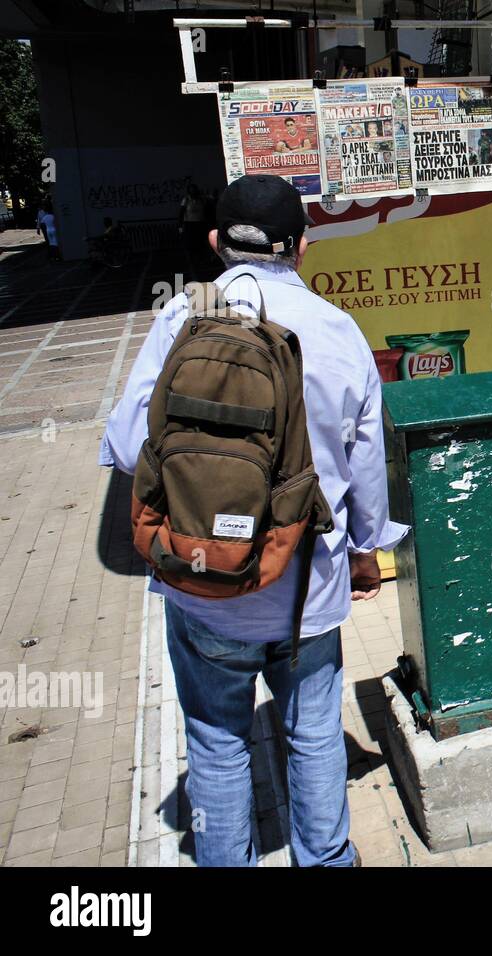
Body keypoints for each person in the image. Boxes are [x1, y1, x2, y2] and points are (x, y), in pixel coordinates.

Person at [101, 174, 408, 866]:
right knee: (314, 734)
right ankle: (325, 858)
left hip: (199, 583)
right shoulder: (339, 329)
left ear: (215, 242)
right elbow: (365, 468)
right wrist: (365, 552)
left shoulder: (182, 316)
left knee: (217, 742)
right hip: (306, 589)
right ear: (302, 246)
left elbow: (125, 448)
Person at [179, 183, 208, 278]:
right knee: (191, 245)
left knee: (200, 244)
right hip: (190, 224)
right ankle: (192, 264)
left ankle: (201, 262)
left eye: (194, 189)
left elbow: (206, 210)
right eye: (191, 190)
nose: (193, 192)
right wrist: (180, 226)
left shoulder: (201, 200)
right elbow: (181, 213)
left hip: (200, 223)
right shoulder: (186, 200)